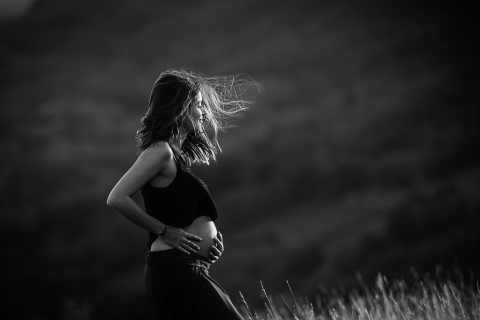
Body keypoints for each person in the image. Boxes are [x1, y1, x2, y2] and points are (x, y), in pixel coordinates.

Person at [106, 69, 260, 320]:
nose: (205, 113)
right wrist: (165, 230)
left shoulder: (175, 156)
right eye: (199, 105)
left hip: (189, 267)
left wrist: (208, 248)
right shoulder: (160, 152)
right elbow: (117, 198)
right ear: (181, 108)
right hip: (175, 269)